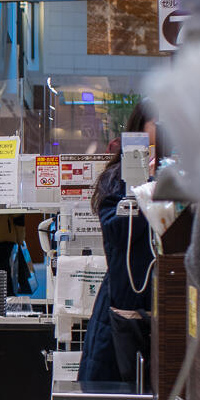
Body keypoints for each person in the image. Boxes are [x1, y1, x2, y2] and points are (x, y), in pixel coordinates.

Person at [79, 102, 158, 385]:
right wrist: (146, 186)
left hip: (166, 309)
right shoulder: (119, 178)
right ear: (140, 128)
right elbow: (116, 230)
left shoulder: (181, 177)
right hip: (124, 311)